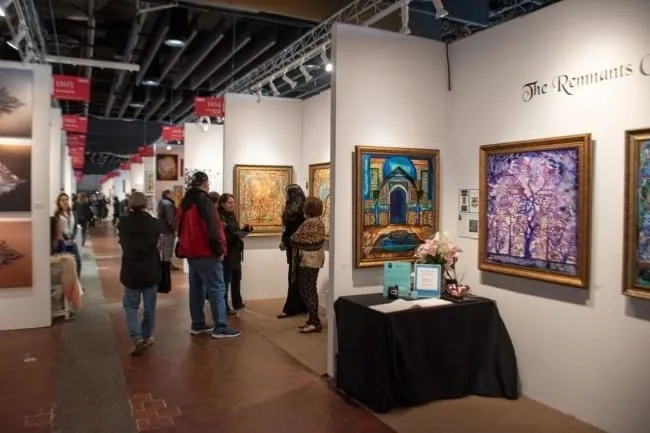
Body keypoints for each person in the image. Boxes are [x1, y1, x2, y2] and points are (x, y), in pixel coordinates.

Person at [175, 172, 240, 339]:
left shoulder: (185, 202)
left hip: (191, 252)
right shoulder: (205, 202)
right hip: (207, 252)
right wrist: (219, 250)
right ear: (204, 183)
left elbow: (179, 226)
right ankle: (220, 326)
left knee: (196, 289)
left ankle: (198, 324)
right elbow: (213, 228)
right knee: (217, 288)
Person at [118, 192, 161, 356]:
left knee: (130, 305)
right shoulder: (154, 224)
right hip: (150, 269)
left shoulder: (123, 223)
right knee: (150, 307)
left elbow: (123, 243)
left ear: (130, 205)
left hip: (131, 270)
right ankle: (147, 335)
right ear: (145, 204)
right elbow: (157, 244)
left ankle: (136, 337)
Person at [290, 197, 326, 333]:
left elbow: (295, 238)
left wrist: (293, 240)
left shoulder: (310, 222)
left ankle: (315, 321)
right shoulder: (318, 221)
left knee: (308, 290)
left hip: (309, 261)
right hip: (314, 259)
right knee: (309, 289)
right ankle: (312, 319)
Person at [277, 184, 308, 319]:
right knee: (301, 278)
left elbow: (288, 231)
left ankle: (291, 308)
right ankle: (302, 306)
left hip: (294, 249)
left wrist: (284, 242)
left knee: (294, 277)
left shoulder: (291, 212)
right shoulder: (304, 209)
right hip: (302, 248)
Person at [218, 193, 252, 313]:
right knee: (226, 280)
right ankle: (225, 307)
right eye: (229, 202)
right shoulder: (221, 217)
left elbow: (235, 232)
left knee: (237, 278)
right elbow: (224, 237)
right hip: (228, 253)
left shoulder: (231, 216)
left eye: (233, 202)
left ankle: (237, 302)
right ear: (222, 204)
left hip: (236, 252)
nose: (232, 205)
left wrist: (245, 230)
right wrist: (237, 235)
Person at [54, 192, 82, 278]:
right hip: (62, 243)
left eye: (66, 199)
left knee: (77, 262)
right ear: (58, 202)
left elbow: (75, 227)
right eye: (62, 200)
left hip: (72, 242)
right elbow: (57, 230)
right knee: (65, 265)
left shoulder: (73, 214)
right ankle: (66, 286)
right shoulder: (57, 215)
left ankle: (76, 285)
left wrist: (71, 237)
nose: (65, 202)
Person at [157, 189, 176, 293]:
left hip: (162, 231)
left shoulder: (161, 202)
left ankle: (162, 283)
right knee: (167, 257)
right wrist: (175, 228)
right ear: (168, 194)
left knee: (163, 255)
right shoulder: (168, 204)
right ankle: (165, 284)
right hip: (168, 232)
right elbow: (171, 219)